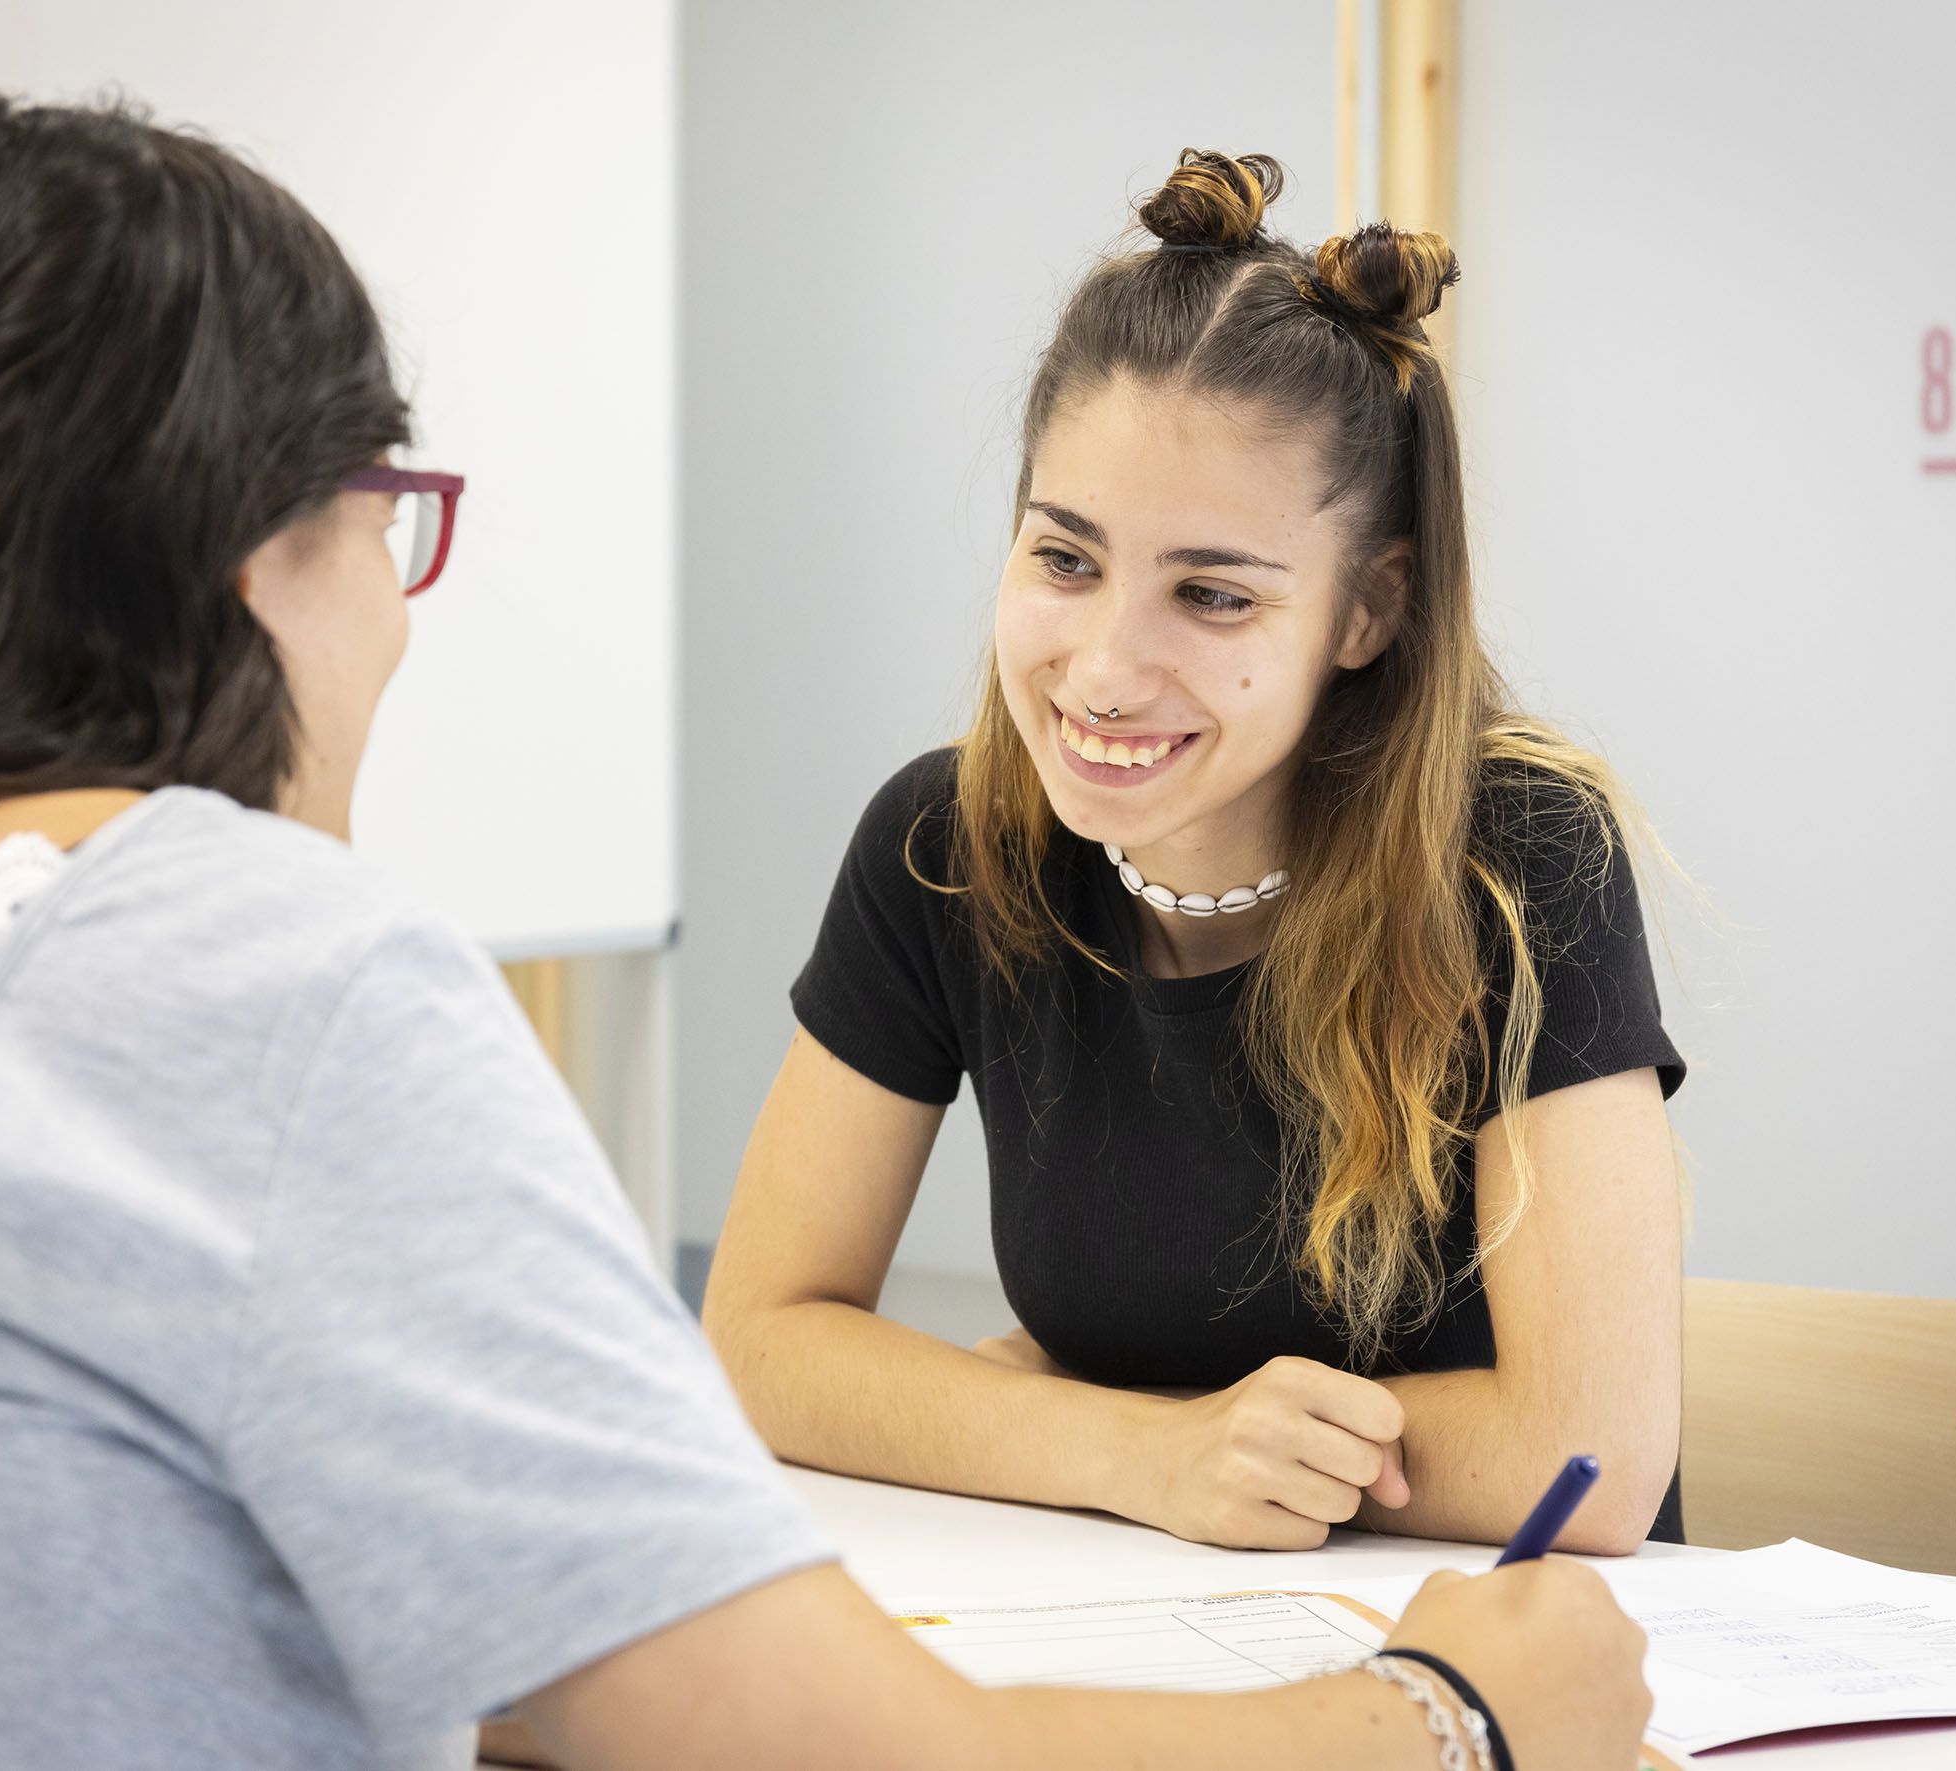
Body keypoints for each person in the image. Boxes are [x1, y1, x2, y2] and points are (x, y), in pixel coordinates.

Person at [0, 100, 1651, 1769]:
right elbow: (832, 1707)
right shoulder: (264, 971)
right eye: (386, 514)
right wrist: (1443, 1715)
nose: (402, 612)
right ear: (235, 555)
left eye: (1213, 591)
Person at [704, 150, 1688, 1557]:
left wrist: (1027, 1406)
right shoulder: (941, 846)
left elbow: (1580, 1463)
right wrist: (1145, 1447)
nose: (1103, 670)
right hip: (1131, 1610)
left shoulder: (1518, 855)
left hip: (1483, 1642)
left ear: (1366, 612)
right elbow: (757, 1345)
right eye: (1064, 559)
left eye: (1211, 594)